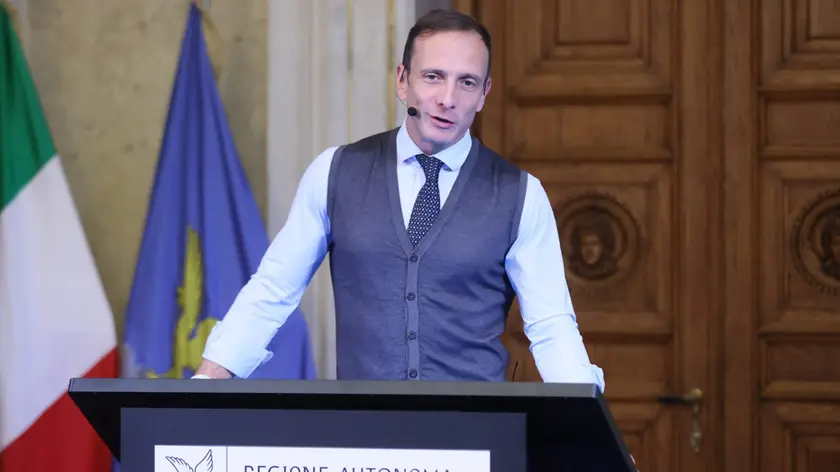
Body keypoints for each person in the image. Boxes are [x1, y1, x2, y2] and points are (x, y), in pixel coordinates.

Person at [193, 9, 604, 391]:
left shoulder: (520, 194)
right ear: (402, 81)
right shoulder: (335, 172)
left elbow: (551, 326)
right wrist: (205, 383)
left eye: (467, 82)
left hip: (475, 437)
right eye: (433, 77)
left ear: (483, 94)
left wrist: (593, 432)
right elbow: (273, 290)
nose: (448, 98)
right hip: (364, 437)